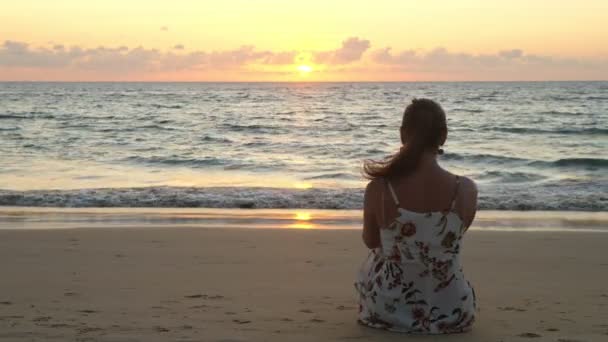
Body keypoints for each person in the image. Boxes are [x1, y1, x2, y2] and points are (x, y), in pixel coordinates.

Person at [354, 98, 478, 334]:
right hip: (453, 311)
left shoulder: (380, 189)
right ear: (443, 136)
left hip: (389, 311)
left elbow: (371, 242)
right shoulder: (466, 189)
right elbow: (449, 240)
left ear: (403, 134)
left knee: (378, 257)